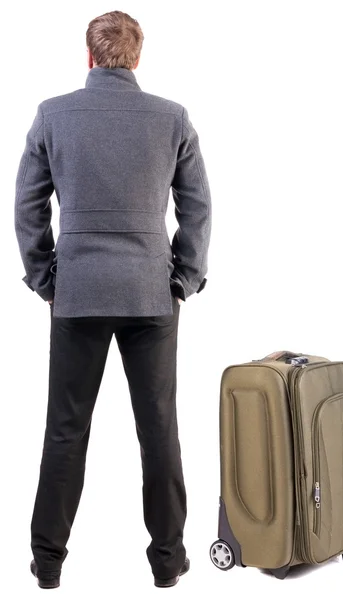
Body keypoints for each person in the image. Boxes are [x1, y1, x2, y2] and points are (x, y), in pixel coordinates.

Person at [14, 10, 212, 589]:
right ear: (137, 57)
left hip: (76, 293)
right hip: (151, 293)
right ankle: (169, 563)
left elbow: (27, 206)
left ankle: (47, 564)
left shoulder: (53, 115)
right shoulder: (171, 117)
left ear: (89, 56)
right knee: (159, 430)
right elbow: (198, 205)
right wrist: (185, 278)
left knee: (65, 430)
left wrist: (44, 277)